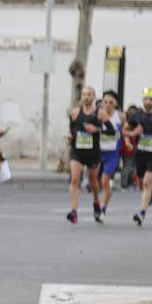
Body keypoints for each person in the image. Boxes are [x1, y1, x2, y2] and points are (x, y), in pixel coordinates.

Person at [124, 89, 152, 227]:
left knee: (147, 182)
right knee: (141, 184)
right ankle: (151, 193)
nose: (148, 101)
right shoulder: (136, 115)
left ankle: (141, 213)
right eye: (146, 99)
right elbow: (124, 130)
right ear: (142, 100)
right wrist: (132, 134)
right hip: (140, 153)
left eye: (151, 99)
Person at [66, 87, 103, 224]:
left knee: (93, 181)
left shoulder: (100, 114)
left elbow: (110, 131)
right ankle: (74, 212)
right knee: (74, 180)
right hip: (77, 151)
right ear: (81, 96)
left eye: (89, 95)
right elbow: (72, 129)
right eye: (84, 94)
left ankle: (96, 202)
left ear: (93, 97)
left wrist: (96, 129)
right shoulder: (75, 112)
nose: (86, 97)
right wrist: (70, 136)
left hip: (92, 152)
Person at [97, 94, 121, 218]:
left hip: (112, 154)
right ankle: (106, 194)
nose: (107, 105)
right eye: (105, 102)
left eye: (110, 102)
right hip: (98, 152)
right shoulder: (98, 115)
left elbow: (125, 130)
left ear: (115, 104)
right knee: (96, 182)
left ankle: (103, 209)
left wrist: (127, 140)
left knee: (104, 180)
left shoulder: (120, 116)